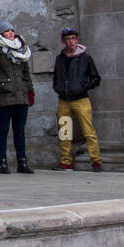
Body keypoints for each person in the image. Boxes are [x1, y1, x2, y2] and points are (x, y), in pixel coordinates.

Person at [0, 22, 36, 175]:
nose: (11, 32)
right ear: (1, 33)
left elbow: (26, 72)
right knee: (3, 130)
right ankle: (2, 162)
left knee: (19, 130)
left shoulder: (21, 48)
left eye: (12, 30)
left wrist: (30, 91)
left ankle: (22, 162)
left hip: (21, 94)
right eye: (7, 31)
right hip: (4, 95)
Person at [53, 26, 103, 171]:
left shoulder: (85, 58)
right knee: (64, 131)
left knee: (88, 131)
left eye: (73, 38)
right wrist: (59, 88)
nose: (71, 42)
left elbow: (96, 78)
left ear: (77, 40)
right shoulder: (60, 58)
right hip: (64, 99)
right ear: (63, 41)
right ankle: (66, 161)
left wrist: (82, 87)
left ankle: (96, 161)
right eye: (68, 39)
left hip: (81, 99)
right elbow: (56, 77)